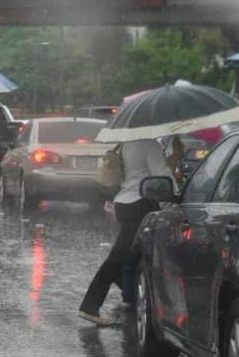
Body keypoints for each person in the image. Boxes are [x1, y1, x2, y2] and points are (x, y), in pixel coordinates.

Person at [78, 135, 184, 326]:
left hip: (124, 202)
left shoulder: (129, 142)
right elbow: (161, 175)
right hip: (138, 204)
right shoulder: (149, 144)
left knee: (130, 255)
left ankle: (130, 293)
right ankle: (90, 305)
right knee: (119, 256)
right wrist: (177, 195)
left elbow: (142, 172)